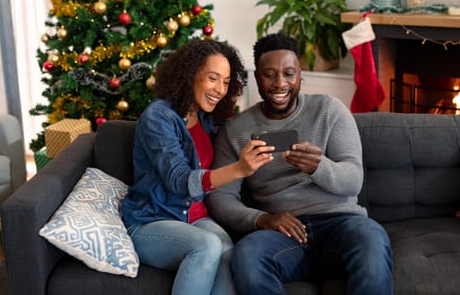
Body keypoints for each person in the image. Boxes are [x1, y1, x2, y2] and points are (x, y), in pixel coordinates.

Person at [206, 33, 394, 295]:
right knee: (247, 254)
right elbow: (220, 197)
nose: (280, 83)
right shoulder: (236, 130)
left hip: (341, 224)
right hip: (283, 233)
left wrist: (318, 167)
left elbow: (354, 179)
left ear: (300, 77)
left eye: (288, 73)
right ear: (257, 78)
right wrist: (263, 219)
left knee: (372, 239)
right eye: (269, 74)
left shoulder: (329, 109)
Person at [121, 38, 275, 295]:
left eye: (226, 82)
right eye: (213, 78)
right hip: (152, 221)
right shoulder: (158, 117)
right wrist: (239, 169)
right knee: (206, 245)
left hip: (195, 219)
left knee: (228, 250)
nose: (220, 89)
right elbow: (179, 180)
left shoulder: (203, 117)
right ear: (190, 75)